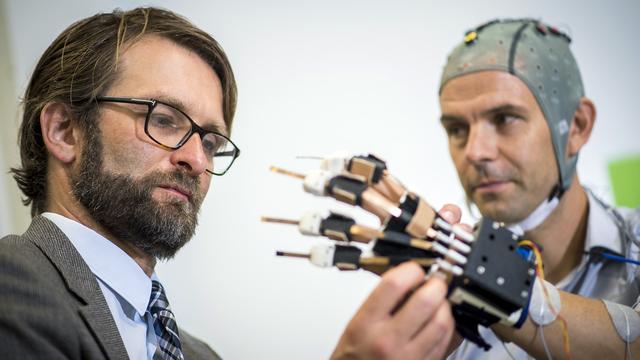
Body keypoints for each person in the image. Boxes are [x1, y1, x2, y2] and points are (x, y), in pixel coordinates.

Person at [0, 6, 456, 360]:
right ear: (65, 131)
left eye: (212, 142)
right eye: (163, 120)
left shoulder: (199, 354)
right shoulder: (11, 282)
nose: (196, 160)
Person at [333, 18, 640, 360]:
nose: (475, 152)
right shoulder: (441, 315)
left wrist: (479, 277)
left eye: (505, 118)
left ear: (578, 126)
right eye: (456, 128)